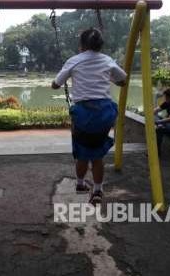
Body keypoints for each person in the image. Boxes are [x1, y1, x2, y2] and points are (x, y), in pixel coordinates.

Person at [51, 28, 127, 204]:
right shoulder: (108, 60)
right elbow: (123, 80)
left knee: (83, 151)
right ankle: (98, 190)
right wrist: (107, 78)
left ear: (82, 45)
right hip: (104, 113)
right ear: (100, 45)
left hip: (83, 113)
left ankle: (80, 183)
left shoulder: (74, 61)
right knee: (97, 154)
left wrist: (65, 78)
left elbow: (55, 85)